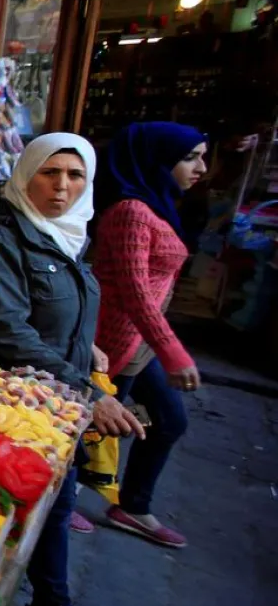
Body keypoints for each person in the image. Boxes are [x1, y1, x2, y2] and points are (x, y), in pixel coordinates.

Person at [0, 133, 145, 606]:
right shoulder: (1, 240)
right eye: (50, 172)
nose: (62, 186)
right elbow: (9, 332)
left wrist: (83, 346)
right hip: (15, 400)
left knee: (55, 503)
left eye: (75, 176)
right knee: (28, 504)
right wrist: (91, 394)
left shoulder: (64, 236)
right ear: (26, 174)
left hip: (58, 395)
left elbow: (51, 310)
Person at [93, 122, 207, 549]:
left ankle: (133, 504)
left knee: (165, 421)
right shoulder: (130, 213)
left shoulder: (155, 205)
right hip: (116, 339)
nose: (201, 167)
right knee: (88, 427)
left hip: (140, 344)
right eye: (190, 157)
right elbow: (136, 292)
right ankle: (60, 506)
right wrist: (173, 350)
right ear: (158, 160)